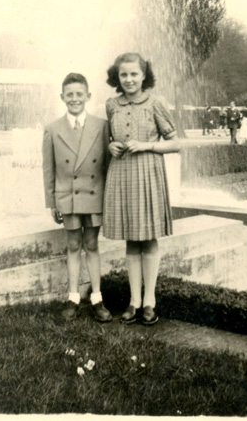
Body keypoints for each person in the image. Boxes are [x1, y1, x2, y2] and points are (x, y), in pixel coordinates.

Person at [103, 52, 180, 326]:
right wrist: (110, 145)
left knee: (148, 238)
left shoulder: (155, 102)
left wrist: (147, 145)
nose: (129, 79)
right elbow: (111, 139)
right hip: (122, 172)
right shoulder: (112, 104)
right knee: (131, 239)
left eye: (134, 74)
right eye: (124, 74)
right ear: (117, 77)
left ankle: (150, 301)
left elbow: (175, 143)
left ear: (144, 75)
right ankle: (134, 301)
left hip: (148, 171)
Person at [42, 73, 112, 323]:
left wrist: (108, 199)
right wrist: (52, 202)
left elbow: (107, 166)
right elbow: (48, 169)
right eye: (69, 94)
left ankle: (96, 298)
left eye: (79, 94)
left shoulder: (102, 126)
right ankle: (72, 297)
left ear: (88, 96)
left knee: (92, 245)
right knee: (73, 246)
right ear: (62, 97)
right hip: (67, 198)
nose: (74, 99)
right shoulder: (52, 128)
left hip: (93, 197)